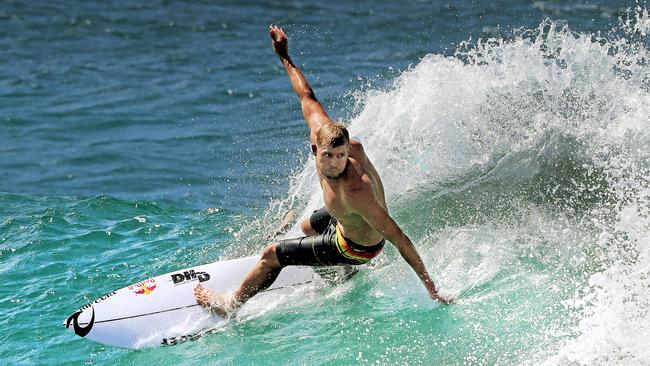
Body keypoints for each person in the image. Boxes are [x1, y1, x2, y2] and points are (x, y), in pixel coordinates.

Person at [194, 25, 451, 316]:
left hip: (358, 248)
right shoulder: (323, 133)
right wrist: (284, 57)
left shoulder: (357, 189)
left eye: (342, 155)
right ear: (316, 149)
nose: (336, 163)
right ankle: (336, 272)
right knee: (306, 227)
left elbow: (399, 238)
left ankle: (229, 305)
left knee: (271, 255)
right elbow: (307, 97)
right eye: (329, 156)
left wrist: (431, 287)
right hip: (346, 217)